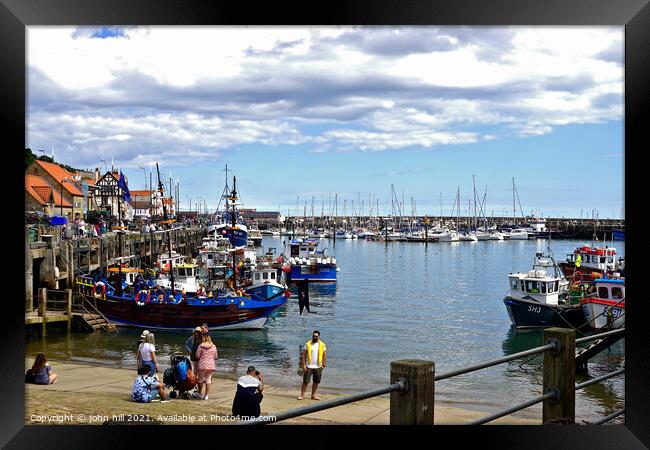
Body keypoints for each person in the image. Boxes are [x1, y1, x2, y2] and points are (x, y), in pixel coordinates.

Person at [298, 330, 327, 400]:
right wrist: (304, 365)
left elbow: (324, 355)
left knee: (316, 382)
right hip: (309, 366)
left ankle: (313, 395)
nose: (314, 337)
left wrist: (324, 364)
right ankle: (302, 395)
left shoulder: (322, 345)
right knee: (305, 381)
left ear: (319, 337)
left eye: (316, 336)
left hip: (318, 366)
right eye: (313, 336)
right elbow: (304, 355)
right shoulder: (308, 344)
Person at [193, 334, 217, 400]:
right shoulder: (214, 346)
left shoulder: (201, 346)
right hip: (211, 366)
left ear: (203, 339)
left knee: (200, 380)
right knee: (208, 380)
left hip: (202, 365)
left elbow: (197, 356)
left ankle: (199, 393)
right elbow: (215, 356)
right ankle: (206, 395)